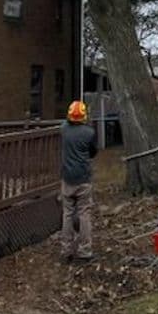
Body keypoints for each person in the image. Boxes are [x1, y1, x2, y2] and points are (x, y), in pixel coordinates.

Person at [60, 100, 97, 263]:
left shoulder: (63, 129)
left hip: (67, 179)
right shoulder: (89, 133)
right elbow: (93, 152)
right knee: (84, 215)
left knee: (67, 214)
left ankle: (66, 250)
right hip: (83, 179)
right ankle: (85, 251)